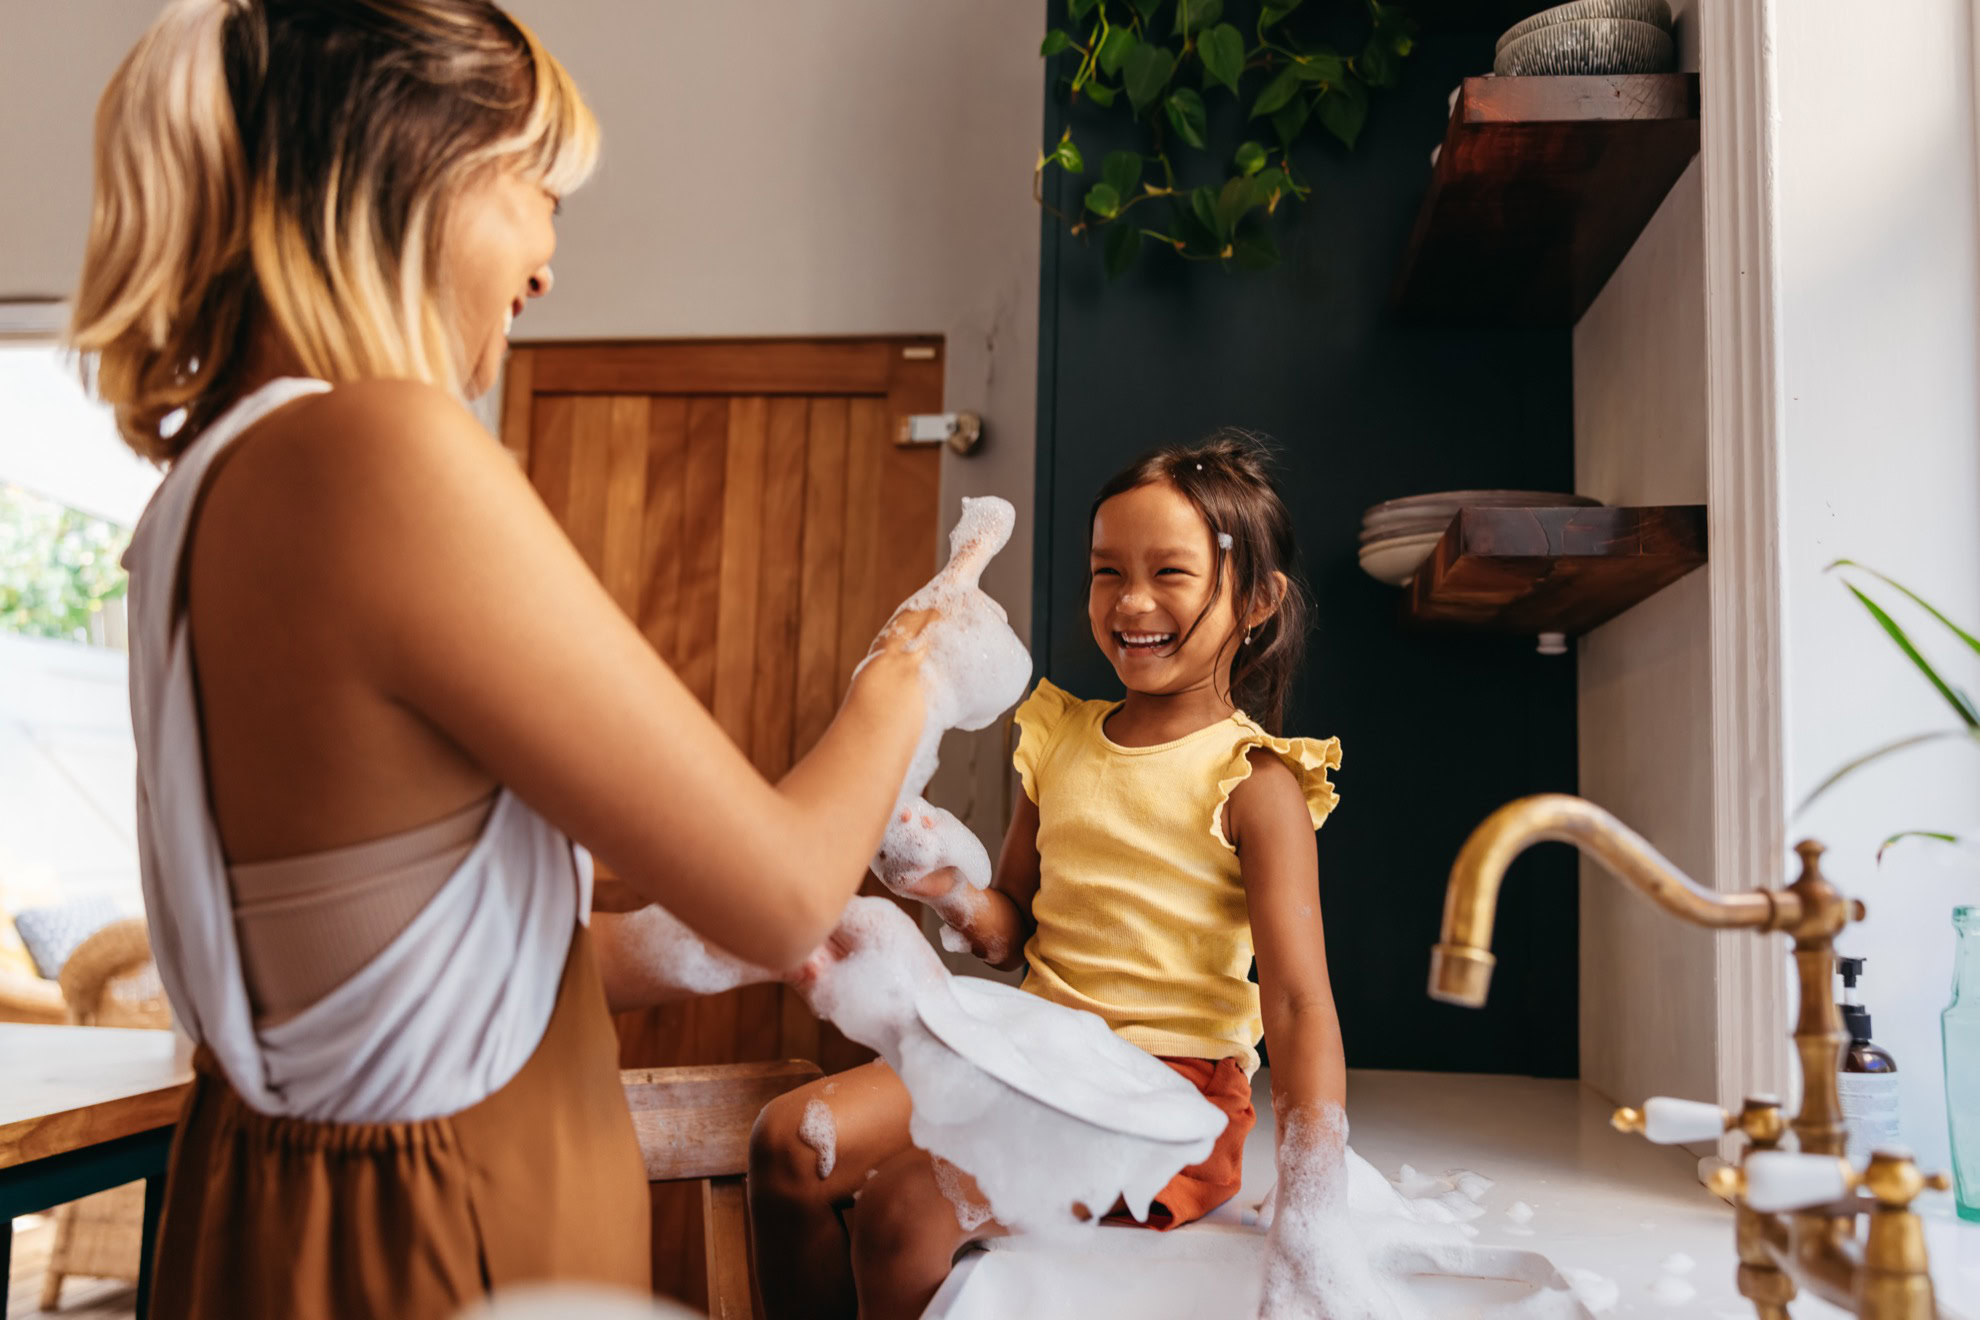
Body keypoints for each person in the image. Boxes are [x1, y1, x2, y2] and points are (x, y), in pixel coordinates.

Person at [70, 3, 1002, 1316]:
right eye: (537, 193)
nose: (548, 261)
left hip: (287, 1225)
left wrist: (672, 949)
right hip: (435, 1253)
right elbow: (788, 888)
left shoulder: (207, 487)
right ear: (414, 169)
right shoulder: (382, 451)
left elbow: (367, 973)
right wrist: (919, 664)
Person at [749, 432, 1348, 1320]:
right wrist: (947, 885)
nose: (1131, 600)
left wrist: (1311, 1214)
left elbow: (1298, 1005)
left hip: (1169, 1101)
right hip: (1035, 1050)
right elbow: (1012, 934)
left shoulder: (1257, 784)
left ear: (1257, 600)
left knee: (903, 1214)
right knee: (790, 1143)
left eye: (1170, 573)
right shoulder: (1061, 739)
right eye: (1108, 571)